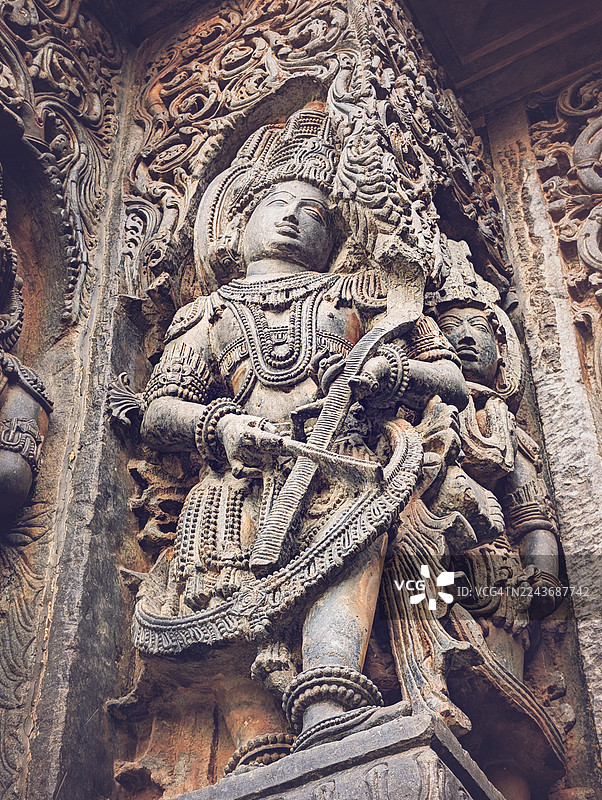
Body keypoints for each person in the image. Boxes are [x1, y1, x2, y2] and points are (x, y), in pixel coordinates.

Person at [135, 106, 469, 768]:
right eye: (276, 202)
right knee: (228, 609)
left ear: (334, 234)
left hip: (342, 472)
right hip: (241, 489)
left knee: (356, 559)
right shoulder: (210, 311)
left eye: (313, 210)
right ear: (239, 222)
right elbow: (158, 410)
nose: (291, 216)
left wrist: (389, 367)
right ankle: (257, 747)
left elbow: (452, 381)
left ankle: (328, 711)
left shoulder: (360, 297)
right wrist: (222, 425)